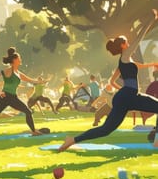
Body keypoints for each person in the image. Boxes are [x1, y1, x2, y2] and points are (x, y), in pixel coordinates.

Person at [59, 23, 158, 152]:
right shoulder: (126, 55)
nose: (129, 44)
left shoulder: (124, 62)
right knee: (106, 129)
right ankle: (156, 142)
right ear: (123, 45)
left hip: (125, 97)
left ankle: (72, 140)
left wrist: (122, 91)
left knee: (106, 129)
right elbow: (138, 39)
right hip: (128, 96)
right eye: (127, 43)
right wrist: (150, 21)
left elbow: (112, 80)